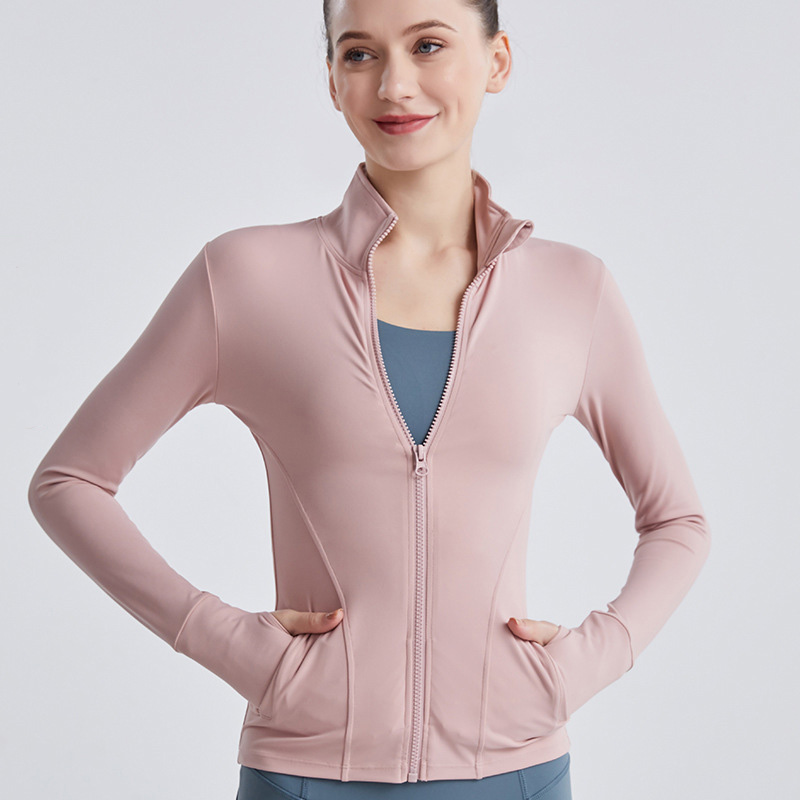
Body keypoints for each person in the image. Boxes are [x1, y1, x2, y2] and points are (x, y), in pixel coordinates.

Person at [27, 1, 712, 798]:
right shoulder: (246, 278)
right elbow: (69, 482)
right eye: (359, 54)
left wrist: (579, 669)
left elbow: (678, 521)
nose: (394, 84)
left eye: (429, 45)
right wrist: (231, 646)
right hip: (307, 771)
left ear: (496, 61)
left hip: (515, 769)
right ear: (332, 80)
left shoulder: (572, 291)